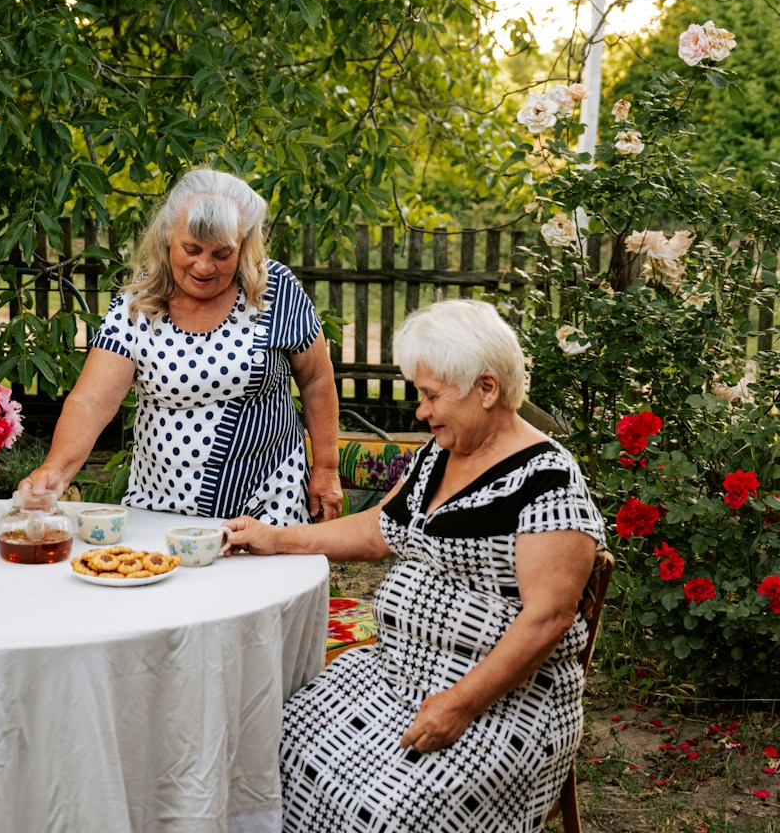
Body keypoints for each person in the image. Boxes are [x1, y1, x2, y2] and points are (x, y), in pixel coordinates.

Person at [226, 298, 605, 833]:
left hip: (495, 701)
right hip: (394, 675)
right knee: (275, 742)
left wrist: (458, 705)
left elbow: (548, 618)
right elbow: (379, 528)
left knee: (388, 813)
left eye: (430, 396)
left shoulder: (548, 481)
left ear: (487, 389)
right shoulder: (438, 455)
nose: (421, 411)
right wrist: (275, 537)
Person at [17, 168, 343, 524]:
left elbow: (315, 380)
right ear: (168, 234)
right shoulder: (137, 304)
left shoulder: (273, 290)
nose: (204, 265)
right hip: (161, 511)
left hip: (268, 505)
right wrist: (55, 470)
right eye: (192, 248)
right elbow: (92, 402)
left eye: (222, 253)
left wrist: (326, 468)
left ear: (244, 243)